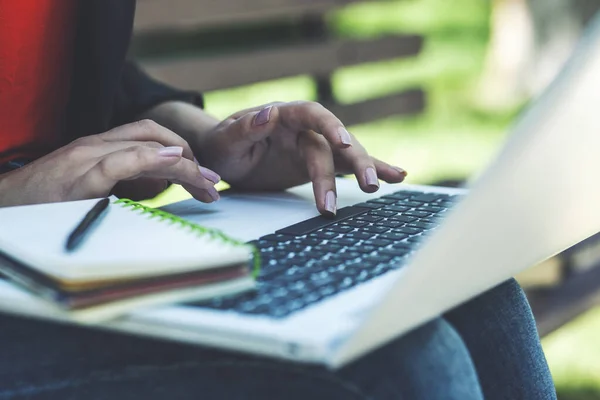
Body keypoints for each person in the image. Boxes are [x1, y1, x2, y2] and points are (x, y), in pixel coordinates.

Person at [0, 1, 557, 399]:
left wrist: (210, 140)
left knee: (480, 300)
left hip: (63, 260)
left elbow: (90, 76)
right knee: (400, 361)